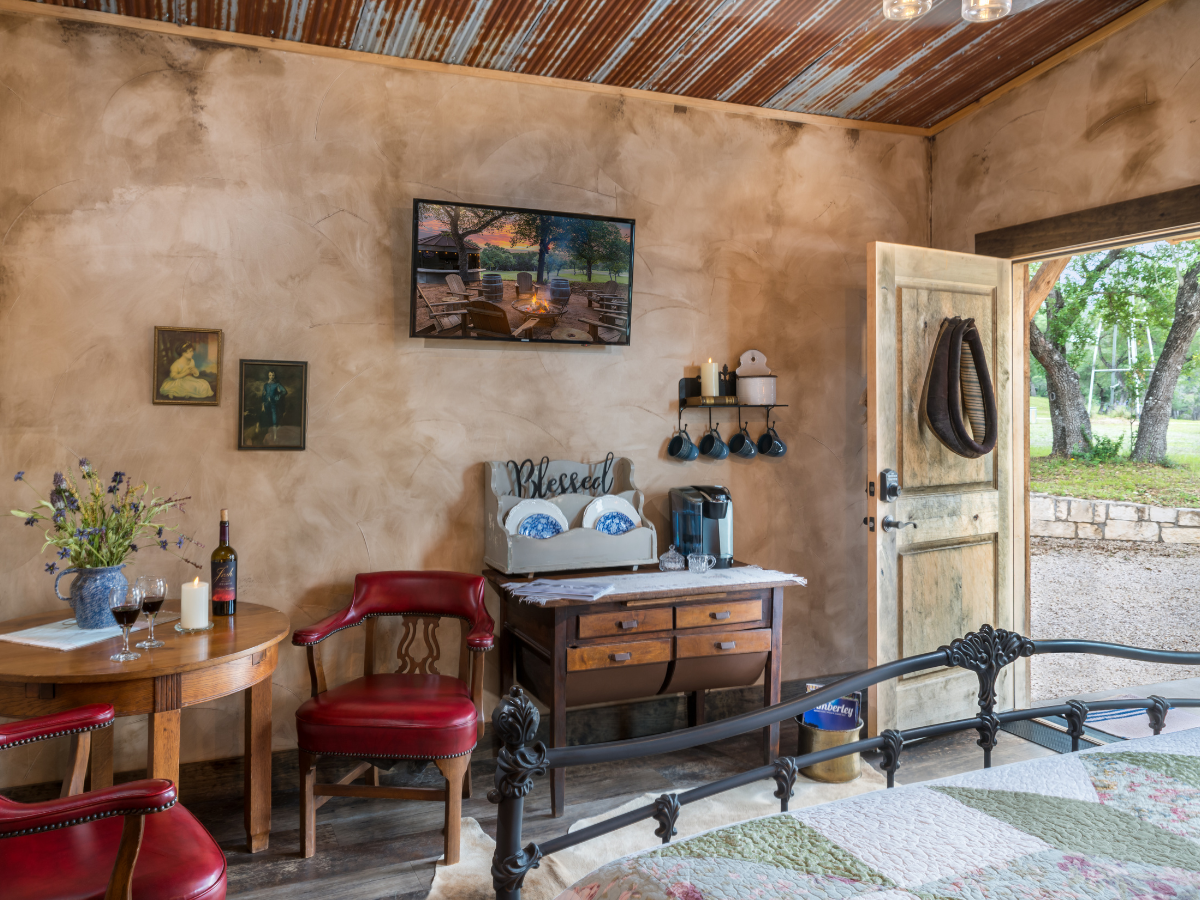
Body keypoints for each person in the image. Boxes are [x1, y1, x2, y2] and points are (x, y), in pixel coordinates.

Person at [260, 370, 288, 444]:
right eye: (270, 375)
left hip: (273, 404)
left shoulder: (277, 384)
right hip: (266, 404)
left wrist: (277, 396)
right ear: (268, 376)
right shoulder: (265, 385)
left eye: (272, 375)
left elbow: (284, 391)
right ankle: (270, 435)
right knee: (268, 419)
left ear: (274, 376)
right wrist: (263, 405)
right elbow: (263, 394)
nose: (271, 376)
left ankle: (275, 436)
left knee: (274, 420)